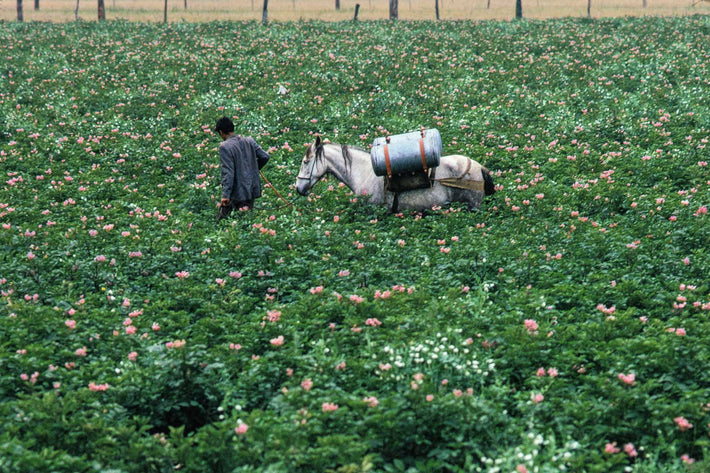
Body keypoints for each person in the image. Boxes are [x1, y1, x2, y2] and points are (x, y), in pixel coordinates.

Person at [214, 117, 270, 221]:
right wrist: (253, 169)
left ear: (221, 132)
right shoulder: (249, 140)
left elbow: (228, 172)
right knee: (247, 220)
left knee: (223, 223)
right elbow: (265, 156)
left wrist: (225, 195)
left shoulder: (225, 147)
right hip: (251, 189)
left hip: (237, 192)